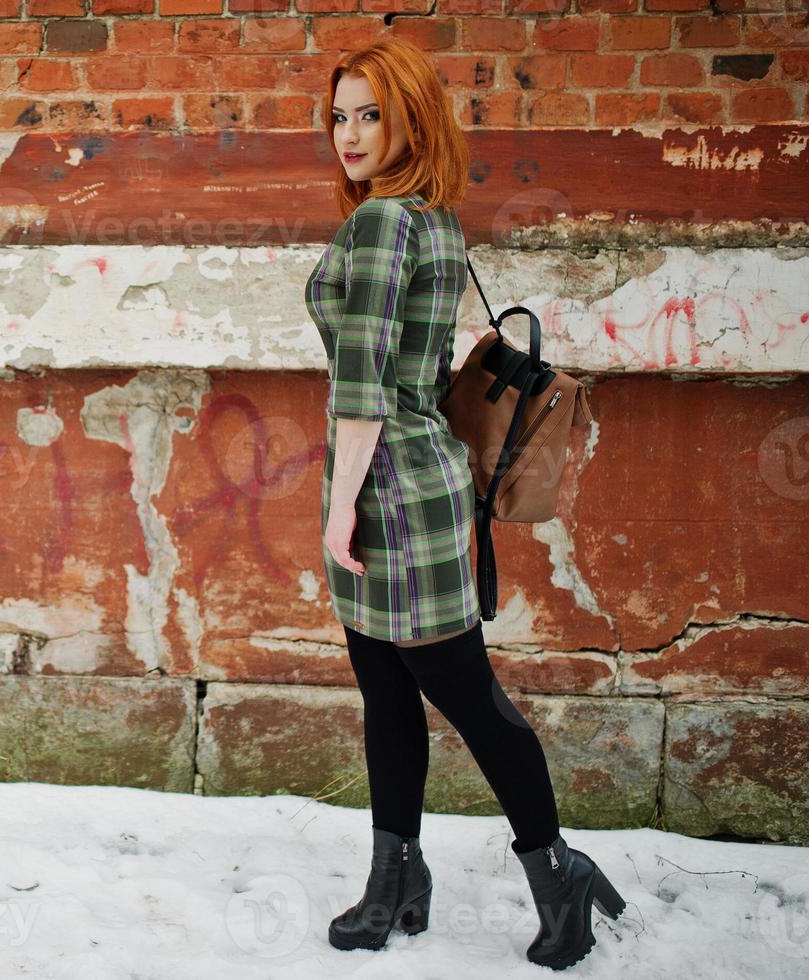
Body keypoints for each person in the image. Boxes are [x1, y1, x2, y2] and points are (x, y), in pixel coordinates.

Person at [303, 35, 627, 970]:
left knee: (464, 695)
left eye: (370, 113)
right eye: (338, 115)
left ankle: (555, 869)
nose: (349, 134)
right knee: (384, 690)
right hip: (415, 471)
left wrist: (338, 508)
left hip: (388, 487)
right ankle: (395, 877)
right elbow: (417, 360)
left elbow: (362, 386)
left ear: (410, 118)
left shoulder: (381, 225)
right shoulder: (431, 219)